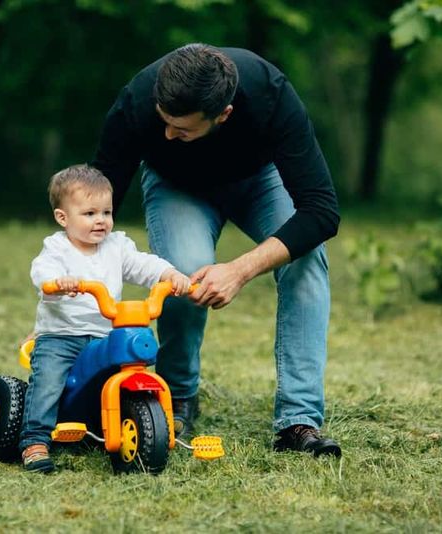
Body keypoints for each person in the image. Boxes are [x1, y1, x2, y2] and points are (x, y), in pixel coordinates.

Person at [91, 44, 342, 457]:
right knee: (184, 273)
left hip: (260, 181)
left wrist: (240, 269)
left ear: (222, 115)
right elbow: (96, 206)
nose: (169, 134)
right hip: (177, 188)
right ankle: (179, 396)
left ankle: (298, 421)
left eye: (182, 129)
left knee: (307, 259)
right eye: (164, 122)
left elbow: (321, 212)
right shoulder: (138, 101)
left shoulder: (270, 94)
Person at [19, 164, 191, 473]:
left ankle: (114, 423)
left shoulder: (117, 246)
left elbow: (143, 264)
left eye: (106, 212)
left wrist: (169, 274)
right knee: (48, 382)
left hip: (103, 334)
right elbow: (41, 270)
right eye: (89, 214)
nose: (101, 221)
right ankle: (35, 441)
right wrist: (59, 282)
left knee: (113, 377)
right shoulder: (57, 248)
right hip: (62, 335)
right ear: (63, 218)